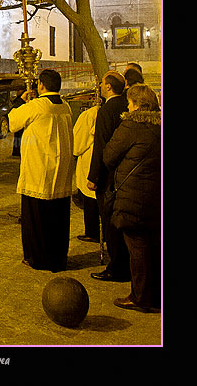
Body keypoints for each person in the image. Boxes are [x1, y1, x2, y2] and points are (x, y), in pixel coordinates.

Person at [8, 69, 75, 273]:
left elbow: (13, 123)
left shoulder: (37, 106)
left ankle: (36, 258)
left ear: (41, 86)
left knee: (36, 221)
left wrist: (20, 101)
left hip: (38, 172)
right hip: (60, 172)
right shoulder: (66, 107)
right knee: (58, 221)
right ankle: (57, 258)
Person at [103, 84, 161, 313]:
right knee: (152, 245)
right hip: (156, 194)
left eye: (130, 102)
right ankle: (154, 293)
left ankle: (141, 298)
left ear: (136, 104)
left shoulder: (131, 125)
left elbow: (109, 156)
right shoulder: (159, 126)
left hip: (133, 195)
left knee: (137, 248)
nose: (128, 106)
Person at [87, 71, 130, 282]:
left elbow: (101, 146)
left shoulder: (106, 110)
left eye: (103, 84)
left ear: (109, 87)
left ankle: (117, 267)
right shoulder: (126, 105)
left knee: (110, 223)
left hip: (108, 176)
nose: (101, 87)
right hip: (126, 173)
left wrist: (94, 176)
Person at [73, 103, 100, 242]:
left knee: (90, 197)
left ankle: (92, 231)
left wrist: (75, 151)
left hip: (89, 157)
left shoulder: (90, 114)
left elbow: (79, 142)